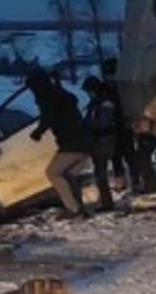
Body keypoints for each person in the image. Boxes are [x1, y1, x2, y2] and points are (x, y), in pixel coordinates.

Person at [25, 69, 94, 218]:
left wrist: (38, 132)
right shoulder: (61, 95)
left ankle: (74, 210)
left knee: (53, 172)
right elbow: (67, 100)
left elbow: (47, 117)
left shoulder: (47, 97)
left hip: (71, 143)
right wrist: (58, 84)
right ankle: (78, 207)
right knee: (68, 175)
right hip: (84, 141)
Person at [81, 75, 120, 213]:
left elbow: (103, 123)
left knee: (100, 174)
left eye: (89, 92)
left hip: (104, 142)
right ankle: (106, 201)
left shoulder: (104, 103)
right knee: (99, 173)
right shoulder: (99, 102)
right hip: (102, 141)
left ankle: (107, 202)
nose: (89, 95)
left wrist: (85, 124)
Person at [101, 58, 136, 190]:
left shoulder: (121, 88)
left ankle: (132, 181)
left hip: (121, 126)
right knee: (119, 156)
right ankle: (126, 181)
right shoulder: (121, 87)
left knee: (127, 156)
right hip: (117, 127)